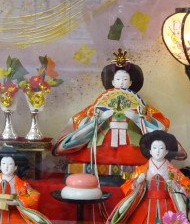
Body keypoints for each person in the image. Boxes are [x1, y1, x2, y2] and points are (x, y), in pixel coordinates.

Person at [52, 49, 177, 181]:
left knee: (145, 155)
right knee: (88, 154)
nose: (121, 82)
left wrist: (138, 118)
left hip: (132, 142)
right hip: (103, 143)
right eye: (118, 79)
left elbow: (160, 127)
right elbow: (79, 121)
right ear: (112, 82)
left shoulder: (141, 107)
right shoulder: (98, 105)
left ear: (131, 82)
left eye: (125, 79)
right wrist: (99, 118)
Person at [105, 130, 190, 224]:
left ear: (167, 151)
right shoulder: (142, 169)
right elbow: (129, 184)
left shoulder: (172, 170)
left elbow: (185, 183)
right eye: (154, 148)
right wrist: (137, 182)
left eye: (161, 148)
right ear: (150, 151)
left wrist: (181, 188)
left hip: (167, 201)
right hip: (145, 200)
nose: (158, 151)